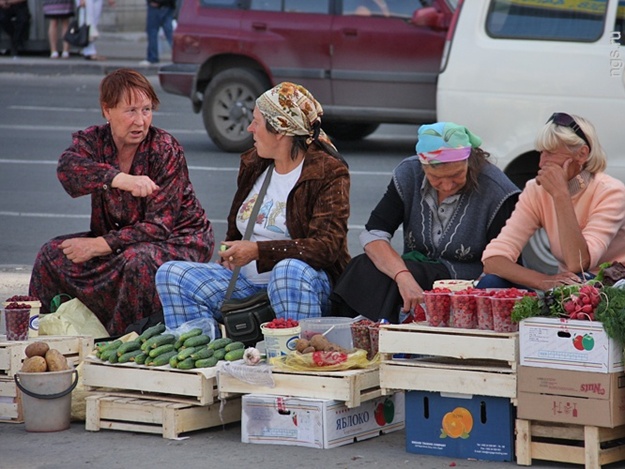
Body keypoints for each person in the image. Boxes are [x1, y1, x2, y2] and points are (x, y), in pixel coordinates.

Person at [29, 68, 214, 336]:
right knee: (52, 254)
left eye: (147, 110)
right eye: (130, 111)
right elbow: (68, 169)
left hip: (179, 240)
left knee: (136, 261)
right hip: (120, 240)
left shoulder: (164, 148)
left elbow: (159, 227)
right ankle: (41, 335)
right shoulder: (94, 140)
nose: (140, 121)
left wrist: (99, 245)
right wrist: (118, 179)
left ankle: (124, 342)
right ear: (107, 111)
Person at [156, 82, 351, 330]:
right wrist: (231, 252)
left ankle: (295, 356)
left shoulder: (328, 171)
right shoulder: (255, 162)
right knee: (172, 275)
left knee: (287, 272)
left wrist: (258, 251)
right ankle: (203, 353)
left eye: (256, 122)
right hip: (245, 283)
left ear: (280, 129)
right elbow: (238, 225)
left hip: (302, 285)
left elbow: (327, 247)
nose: (250, 128)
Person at [330, 122, 521, 323]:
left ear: (469, 162)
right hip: (416, 267)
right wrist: (402, 276)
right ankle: (348, 333)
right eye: (436, 178)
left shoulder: (496, 190)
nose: (447, 185)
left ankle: (384, 334)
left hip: (467, 280)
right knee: (363, 265)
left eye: (456, 175)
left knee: (393, 280)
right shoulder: (409, 173)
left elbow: (505, 261)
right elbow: (374, 233)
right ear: (423, 167)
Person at [479, 112, 625, 291]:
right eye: (541, 153)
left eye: (550, 153)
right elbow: (493, 259)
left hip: (611, 283)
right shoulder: (536, 189)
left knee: (578, 285)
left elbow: (578, 263)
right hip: (566, 284)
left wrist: (561, 195)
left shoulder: (611, 191)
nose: (541, 163)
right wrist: (542, 280)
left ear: (581, 154)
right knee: (491, 283)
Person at [140, 0, 175, 66]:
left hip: (156, 5)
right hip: (168, 5)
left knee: (152, 31)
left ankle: (152, 57)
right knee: (169, 32)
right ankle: (179, 55)